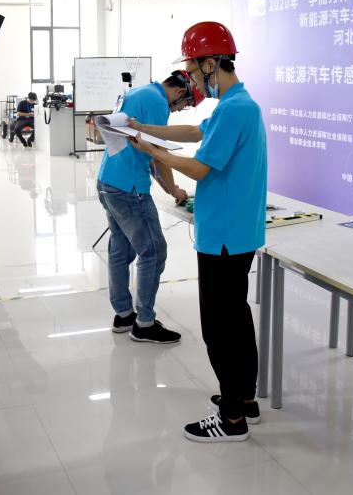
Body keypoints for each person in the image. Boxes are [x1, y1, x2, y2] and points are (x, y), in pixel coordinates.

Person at [128, 22, 267, 442]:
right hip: (237, 231)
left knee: (220, 328)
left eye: (192, 69)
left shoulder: (235, 109)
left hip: (222, 235)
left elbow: (200, 168)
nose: (190, 79)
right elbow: (195, 132)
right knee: (237, 319)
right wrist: (144, 127)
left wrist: (151, 151)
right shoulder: (238, 104)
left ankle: (231, 419)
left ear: (211, 63)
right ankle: (244, 398)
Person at [98, 70, 201, 344]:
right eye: (184, 105)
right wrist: (174, 189)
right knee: (153, 251)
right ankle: (144, 323)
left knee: (121, 249)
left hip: (109, 180)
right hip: (130, 188)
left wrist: (169, 188)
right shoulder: (156, 101)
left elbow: (149, 153)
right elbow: (160, 153)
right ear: (179, 92)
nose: (178, 110)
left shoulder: (139, 92)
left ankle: (123, 314)